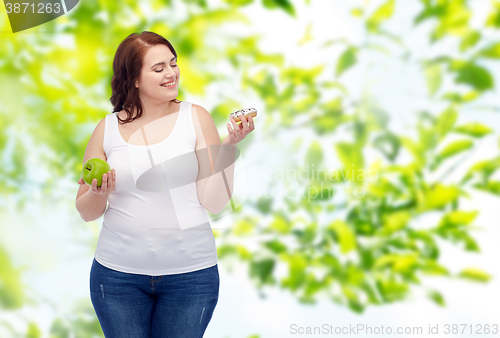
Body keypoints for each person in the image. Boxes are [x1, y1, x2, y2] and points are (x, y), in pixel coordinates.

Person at [75, 31, 254, 338]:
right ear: (134, 79)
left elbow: (213, 203)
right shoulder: (107, 129)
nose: (171, 73)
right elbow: (87, 212)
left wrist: (228, 148)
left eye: (173, 63)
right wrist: (97, 191)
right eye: (158, 69)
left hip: (191, 278)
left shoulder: (196, 118)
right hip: (117, 278)